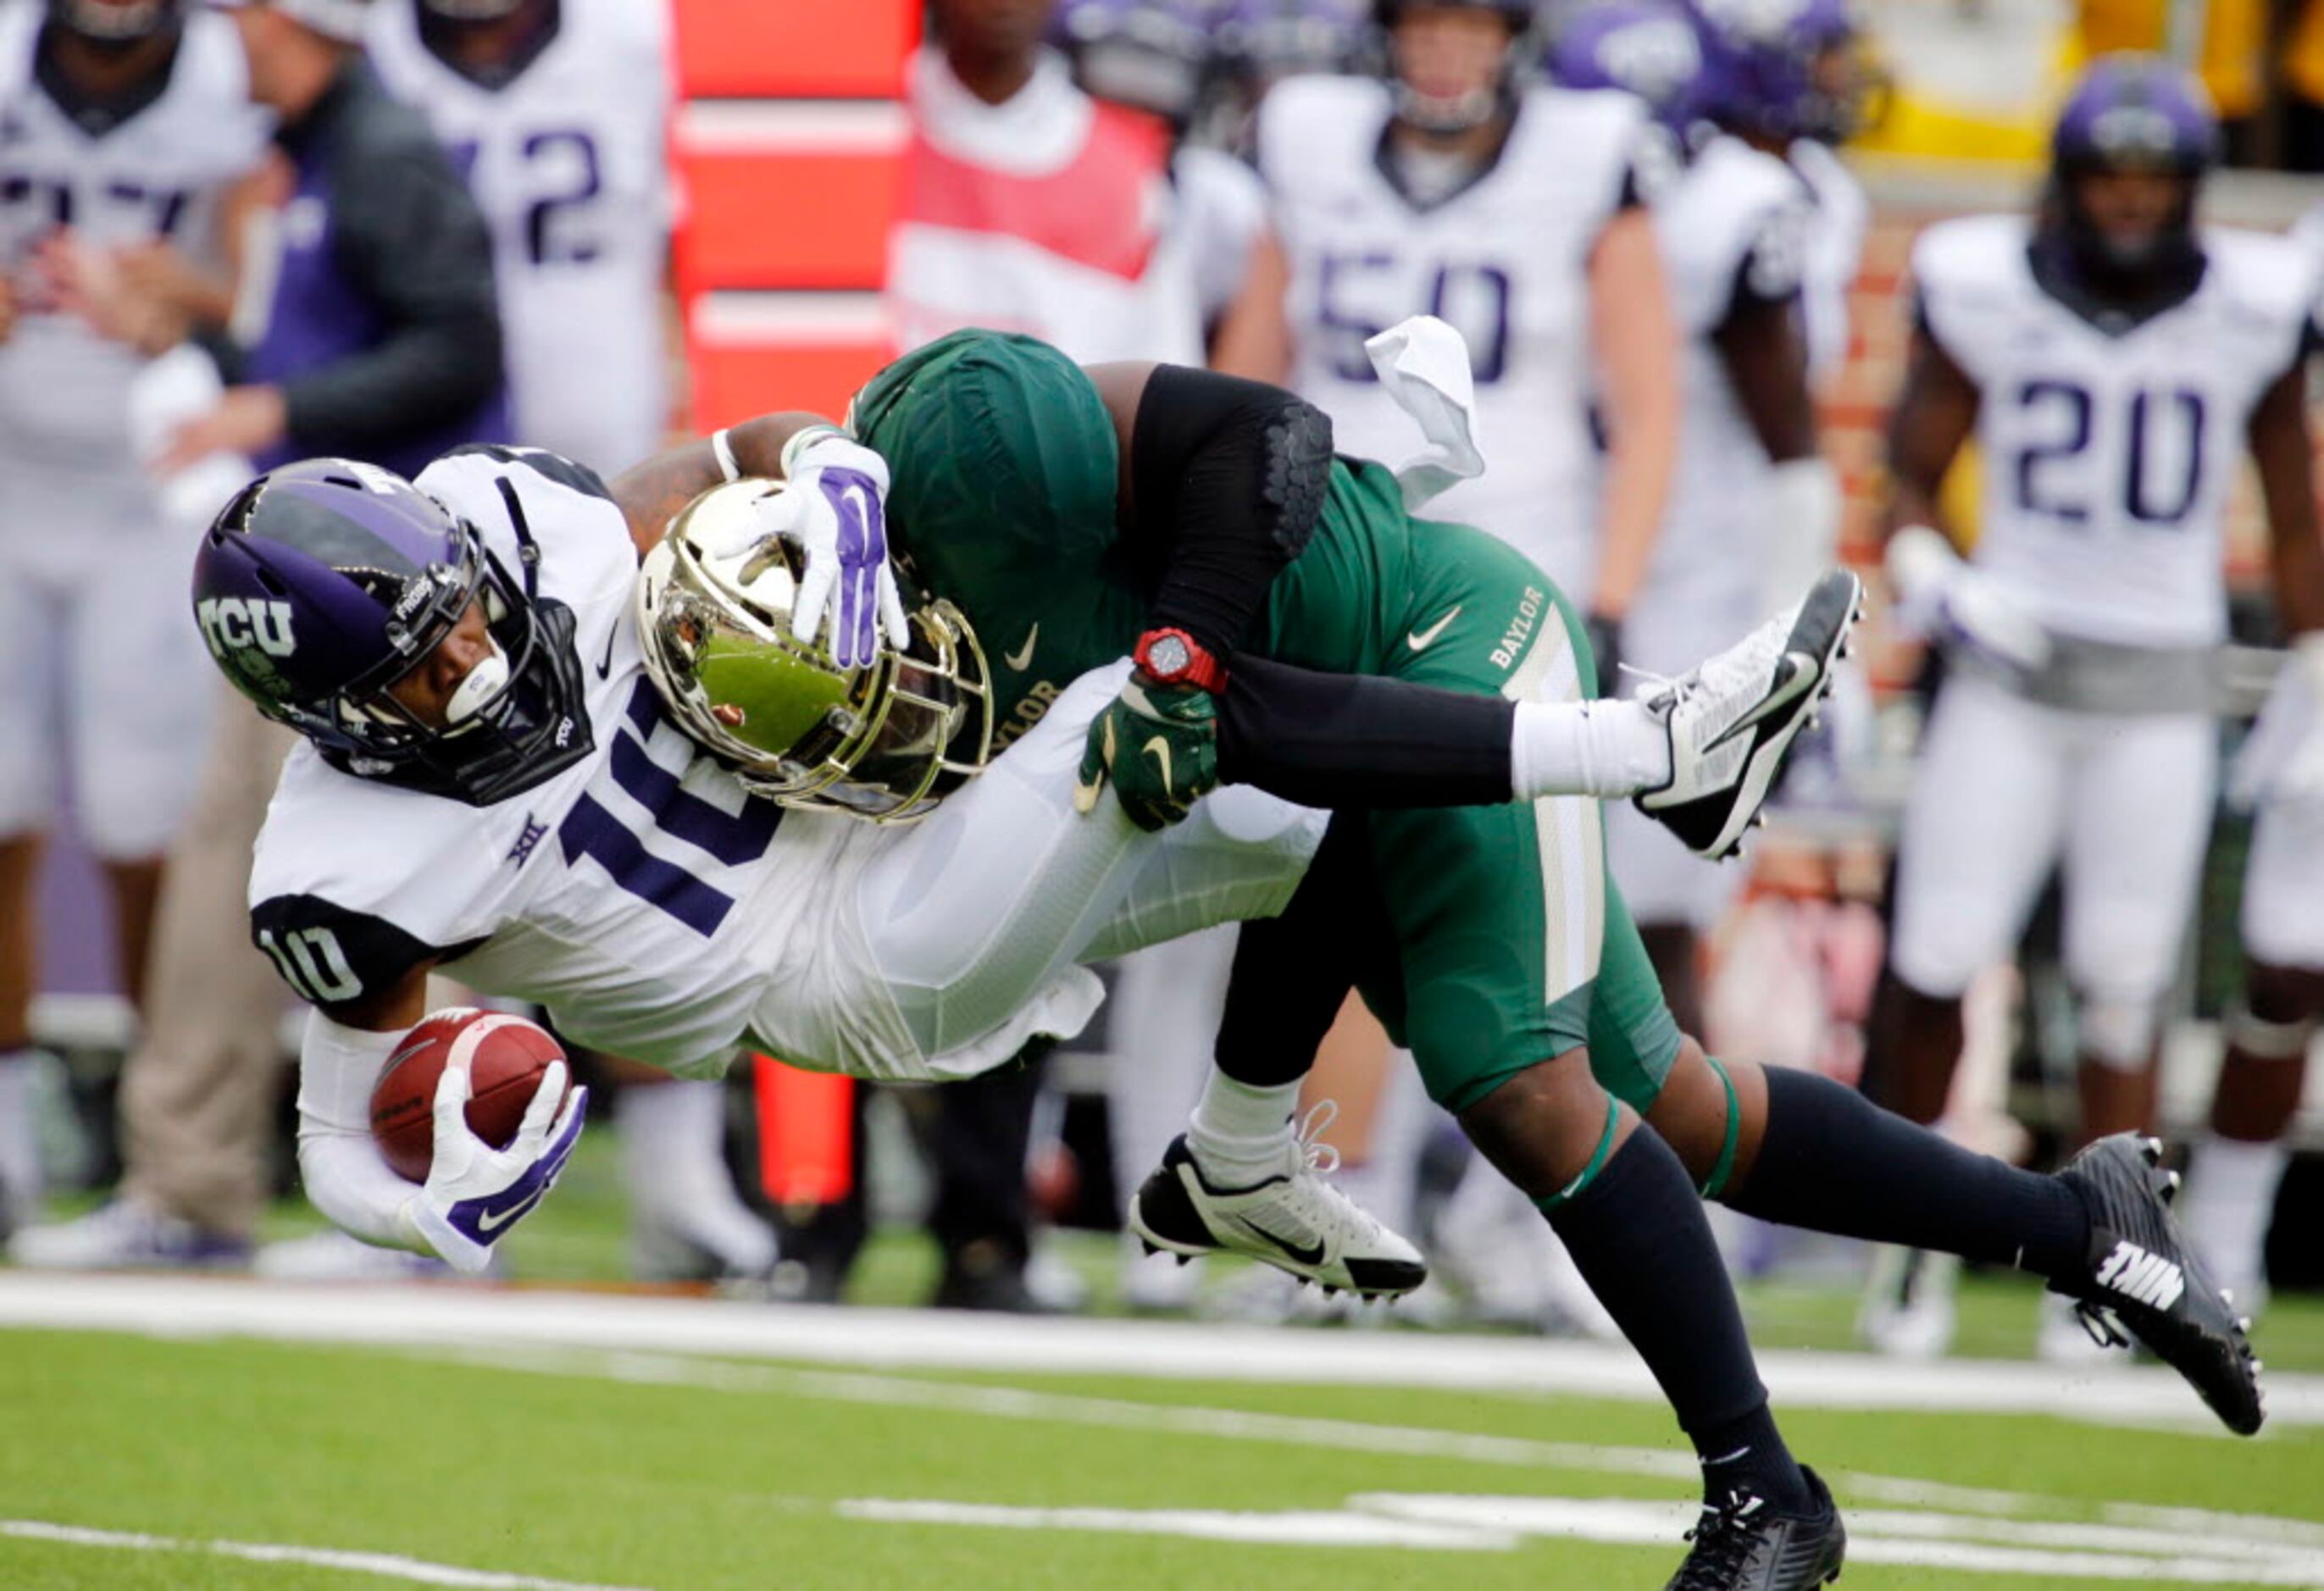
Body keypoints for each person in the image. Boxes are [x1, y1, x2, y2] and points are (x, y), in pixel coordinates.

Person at [207, 324, 2257, 1588]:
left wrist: (764, 513)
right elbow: (344, 1146)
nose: (469, 657)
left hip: (897, 810)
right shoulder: (345, 860)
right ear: (335, 720)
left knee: (1636, 1077)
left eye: (458, 615)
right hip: (842, 971)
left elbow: (690, 484)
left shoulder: (521, 519)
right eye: (421, 668)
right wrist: (444, 1169)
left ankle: (2057, 1221)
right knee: (1159, 726)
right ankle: (1636, 761)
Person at [10, 0, 509, 1272]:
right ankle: (189, 1182)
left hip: (390, 593)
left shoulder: (379, 150)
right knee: (233, 868)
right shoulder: (315, 150)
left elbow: (460, 345)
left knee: (399, 885)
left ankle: (421, 1186)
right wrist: (212, 339)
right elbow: (309, 347)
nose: (230, 36)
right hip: (326, 578)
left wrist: (273, 403)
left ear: (296, 26)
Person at [1860, 55, 2322, 1362]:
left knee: (2123, 987)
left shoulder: (2249, 305)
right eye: (2105, 177)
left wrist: (2311, 655)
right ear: (2062, 184)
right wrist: (1922, 566)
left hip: (2157, 683)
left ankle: (2112, 1268)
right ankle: (1907, 1249)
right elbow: (1906, 469)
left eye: (2151, 179)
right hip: (2010, 670)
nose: (2126, 203)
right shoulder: (1984, 286)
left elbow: (2291, 501)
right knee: (1938, 954)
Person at [361, 0, 774, 1286]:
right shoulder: (368, 50)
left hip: (611, 494)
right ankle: (438, 1161)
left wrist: (686, 442)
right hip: (428, 512)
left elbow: (691, 244)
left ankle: (676, 1170)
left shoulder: (637, 47)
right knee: (429, 820)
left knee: (661, 809)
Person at [0, 0, 269, 1243]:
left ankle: (158, 1125)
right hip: (6, 471)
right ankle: (11, 1123)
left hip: (149, 487)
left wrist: (198, 301)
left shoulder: (233, 73)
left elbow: (281, 303)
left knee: (144, 821)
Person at [1552, 0, 1841, 1039]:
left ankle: (1667, 1182)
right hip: (1547, 549)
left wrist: (1783, 651)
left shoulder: (1732, 211)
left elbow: (1794, 452)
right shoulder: (1514, 182)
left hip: (1687, 591)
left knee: (1644, 918)